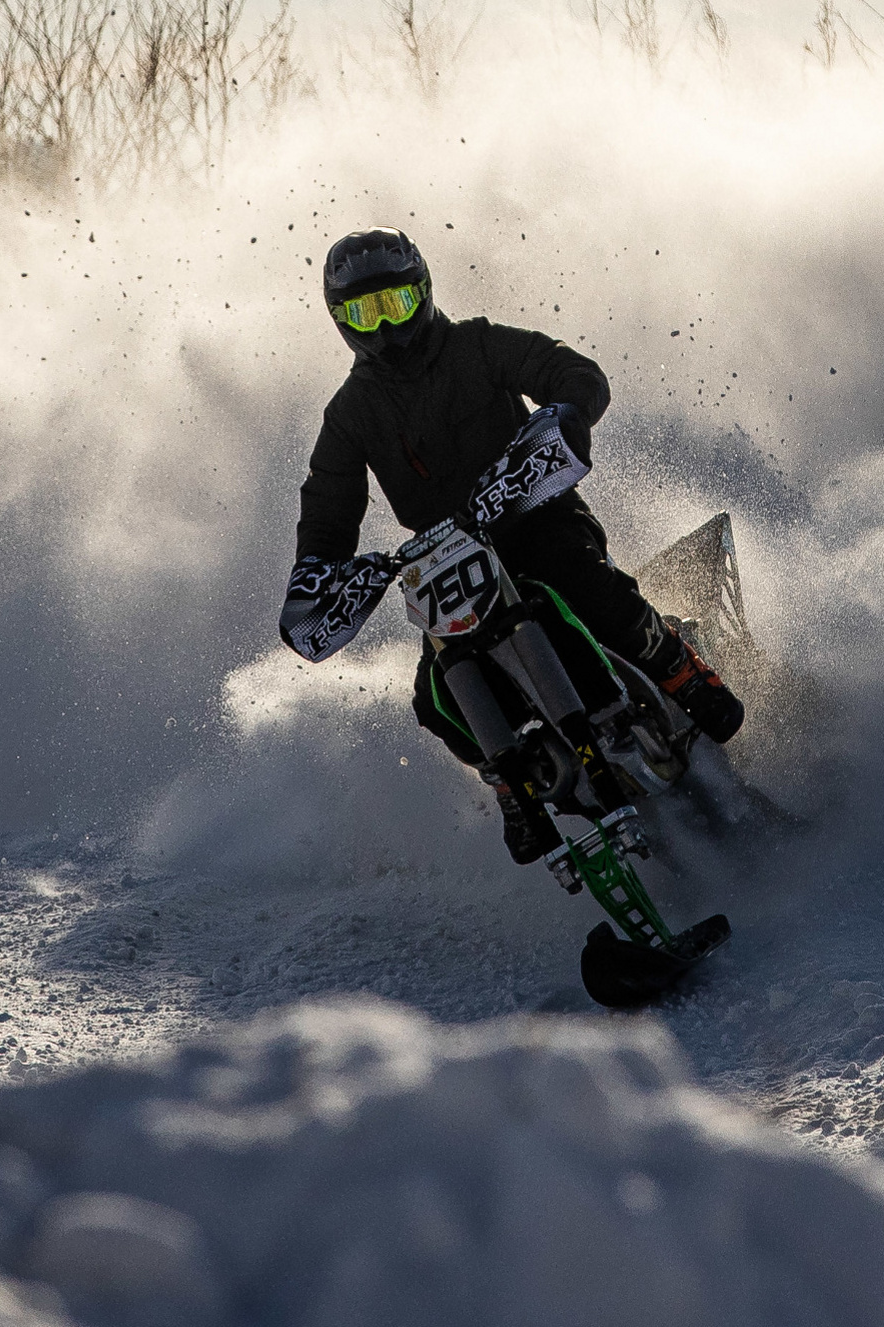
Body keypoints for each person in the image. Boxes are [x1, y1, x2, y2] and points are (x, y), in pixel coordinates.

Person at [280, 228, 743, 863]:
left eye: (397, 305)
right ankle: (509, 783)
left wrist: (567, 413)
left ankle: (679, 666)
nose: (386, 327)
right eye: (366, 312)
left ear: (424, 294)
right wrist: (320, 570)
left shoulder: (477, 344)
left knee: (579, 580)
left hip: (533, 514)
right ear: (341, 322)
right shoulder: (351, 411)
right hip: (449, 562)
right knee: (434, 697)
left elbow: (570, 371)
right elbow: (328, 506)